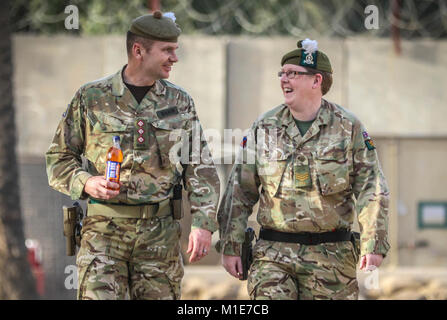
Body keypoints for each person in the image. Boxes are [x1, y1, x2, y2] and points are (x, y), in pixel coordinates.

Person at [46, 11, 220, 300]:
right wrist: (87, 182)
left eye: (174, 50)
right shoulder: (91, 98)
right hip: (103, 235)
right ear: (138, 51)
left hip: (159, 238)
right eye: (167, 51)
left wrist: (203, 223)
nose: (174, 58)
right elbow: (58, 158)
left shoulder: (179, 102)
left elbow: (199, 167)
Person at [216, 39, 390, 300]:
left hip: (332, 259)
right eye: (281, 73)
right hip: (273, 255)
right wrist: (231, 245)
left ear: (316, 80)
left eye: (292, 74)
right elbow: (240, 190)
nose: (283, 79)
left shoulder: (348, 127)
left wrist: (373, 243)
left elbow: (371, 187)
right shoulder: (264, 126)